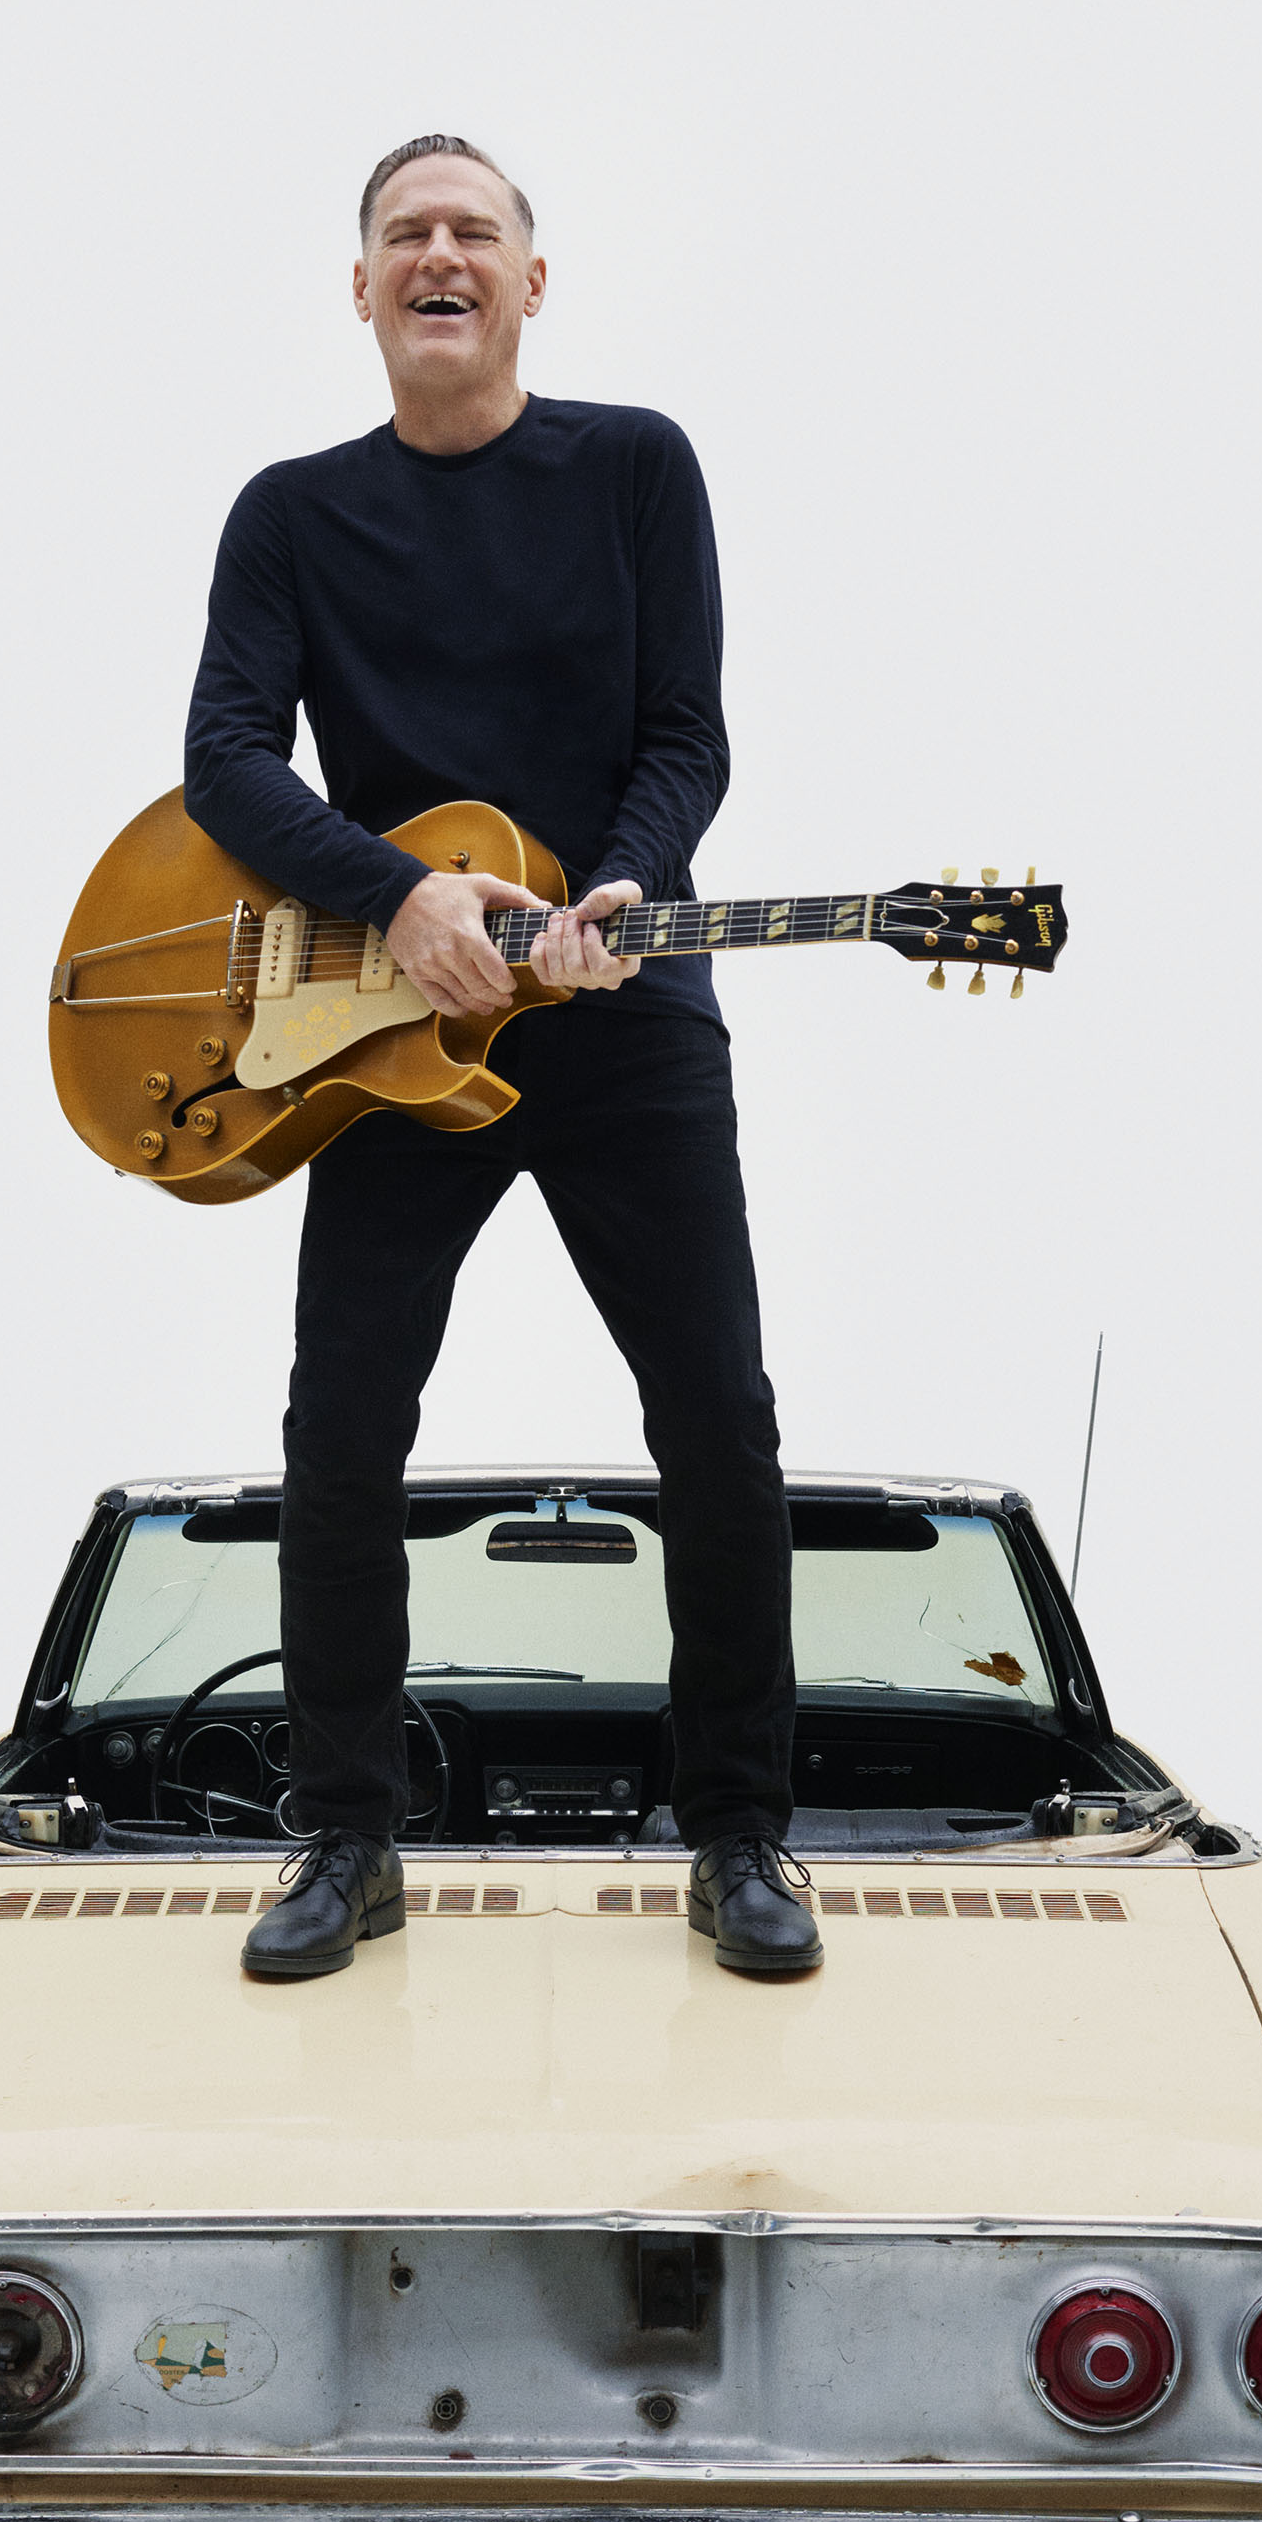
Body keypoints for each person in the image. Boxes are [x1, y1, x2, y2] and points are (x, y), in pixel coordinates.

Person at [182, 132, 819, 1987]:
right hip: (394, 1036)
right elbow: (227, 758)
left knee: (718, 1418)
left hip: (625, 1024)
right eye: (407, 234)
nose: (439, 254)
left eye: (474, 230)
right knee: (341, 1429)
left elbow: (688, 732)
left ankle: (740, 1835)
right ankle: (346, 1835)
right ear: (363, 288)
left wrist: (629, 879)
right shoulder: (290, 517)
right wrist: (396, 899)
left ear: (532, 282)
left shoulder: (636, 469)